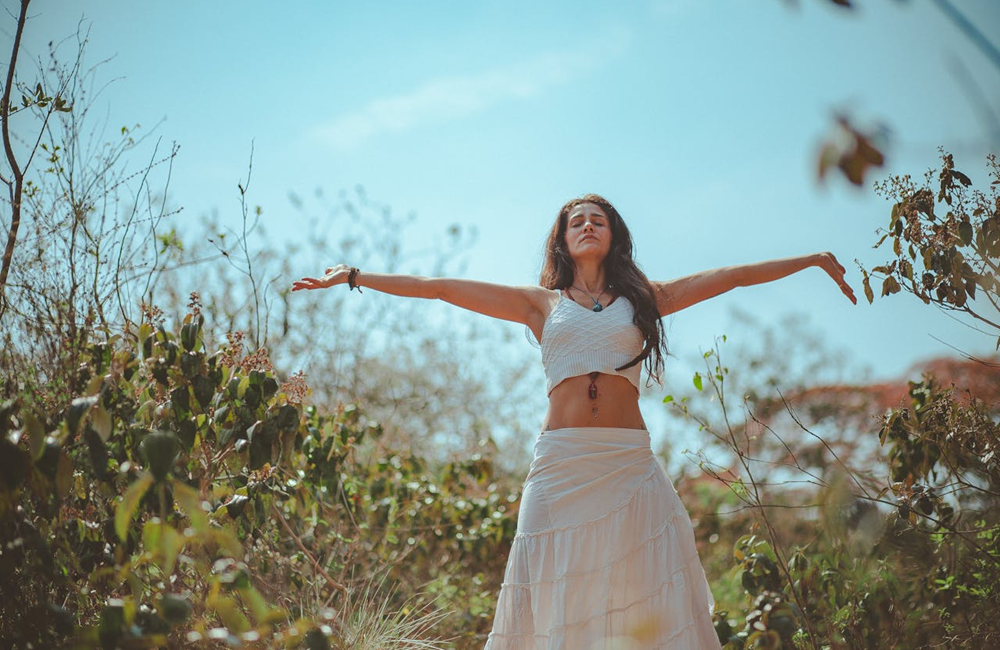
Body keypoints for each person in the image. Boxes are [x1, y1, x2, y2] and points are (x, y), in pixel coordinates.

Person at [292, 194, 856, 649]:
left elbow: (731, 276)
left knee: (642, 590)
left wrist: (808, 260)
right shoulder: (540, 304)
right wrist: (355, 277)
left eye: (599, 220)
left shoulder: (645, 300)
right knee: (548, 588)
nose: (588, 227)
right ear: (562, 239)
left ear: (614, 235)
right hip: (560, 465)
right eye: (576, 222)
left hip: (626, 463)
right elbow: (440, 288)